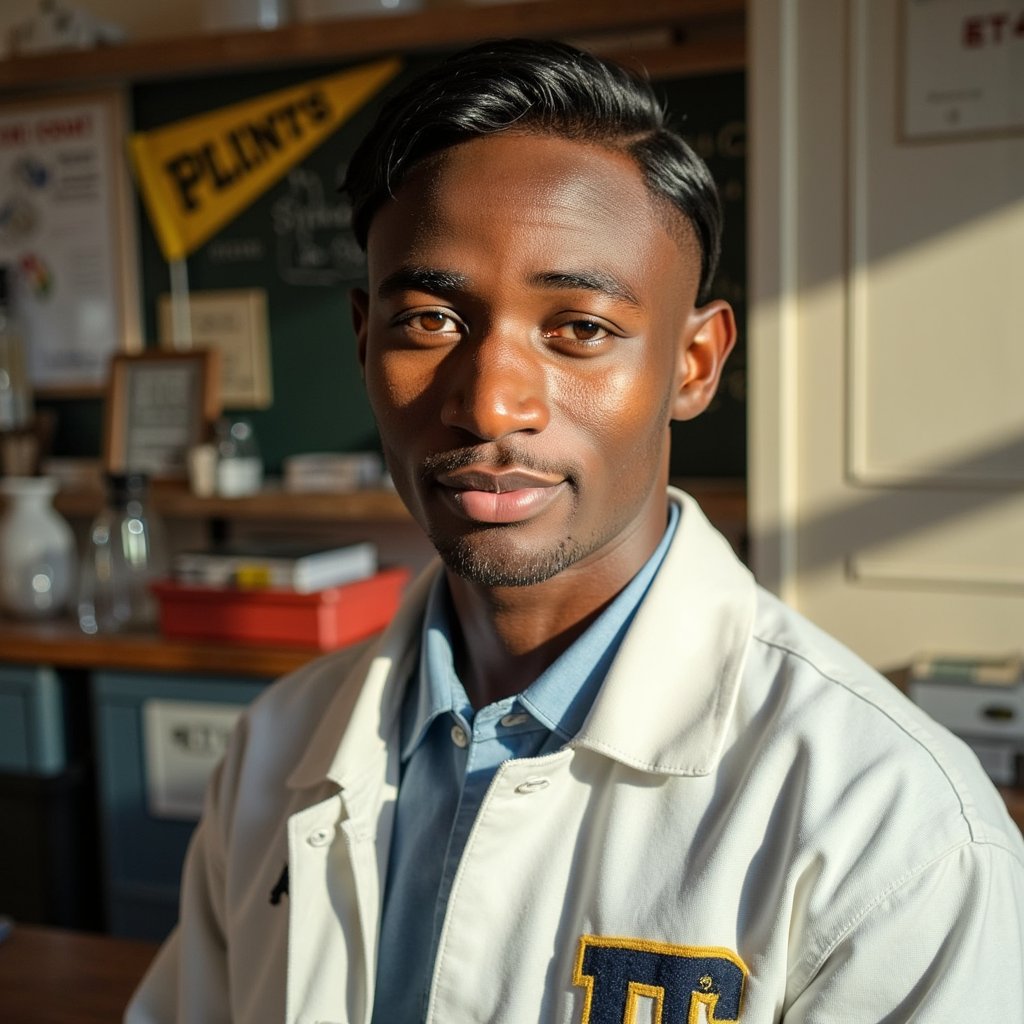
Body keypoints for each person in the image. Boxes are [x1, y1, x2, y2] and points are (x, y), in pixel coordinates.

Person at [127, 39, 1024, 1024]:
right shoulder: (273, 751)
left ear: (692, 363)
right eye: (428, 320)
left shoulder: (892, 829)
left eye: (580, 329)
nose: (489, 403)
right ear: (361, 340)